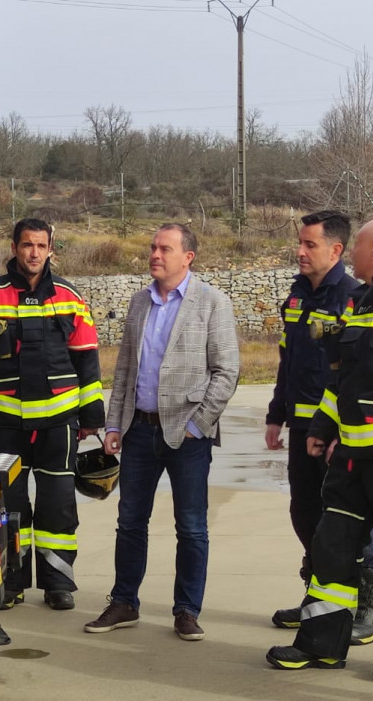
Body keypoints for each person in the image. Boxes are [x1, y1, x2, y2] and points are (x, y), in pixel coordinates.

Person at [266, 218, 373, 679]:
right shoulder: (358, 302)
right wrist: (323, 426)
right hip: (349, 459)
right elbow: (339, 378)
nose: (352, 255)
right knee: (331, 548)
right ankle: (321, 644)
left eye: (358, 247)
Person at [84, 224, 239, 641]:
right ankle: (124, 602)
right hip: (139, 432)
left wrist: (197, 425)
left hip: (187, 436)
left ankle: (187, 610)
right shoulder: (139, 302)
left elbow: (227, 372)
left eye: (164, 248)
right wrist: (115, 423)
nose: (155, 254)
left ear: (188, 256)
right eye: (153, 247)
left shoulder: (211, 303)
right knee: (130, 521)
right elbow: (125, 371)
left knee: (191, 527)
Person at [0, 218, 104, 611]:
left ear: (50, 249)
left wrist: (92, 414)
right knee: (10, 507)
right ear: (14, 247)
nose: (34, 253)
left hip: (59, 424)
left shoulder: (70, 297)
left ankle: (59, 583)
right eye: (27, 245)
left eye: (41, 246)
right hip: (7, 425)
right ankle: (12, 583)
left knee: (59, 506)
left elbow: (87, 362)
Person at [266, 210, 373, 645]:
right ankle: (319, 601)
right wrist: (275, 414)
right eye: (299, 243)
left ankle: (370, 600)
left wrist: (339, 431)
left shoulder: (353, 298)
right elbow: (288, 361)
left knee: (348, 520)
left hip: (337, 431)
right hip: (301, 428)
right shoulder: (297, 297)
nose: (300, 251)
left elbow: (354, 373)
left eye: (309, 244)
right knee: (306, 515)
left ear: (336, 250)